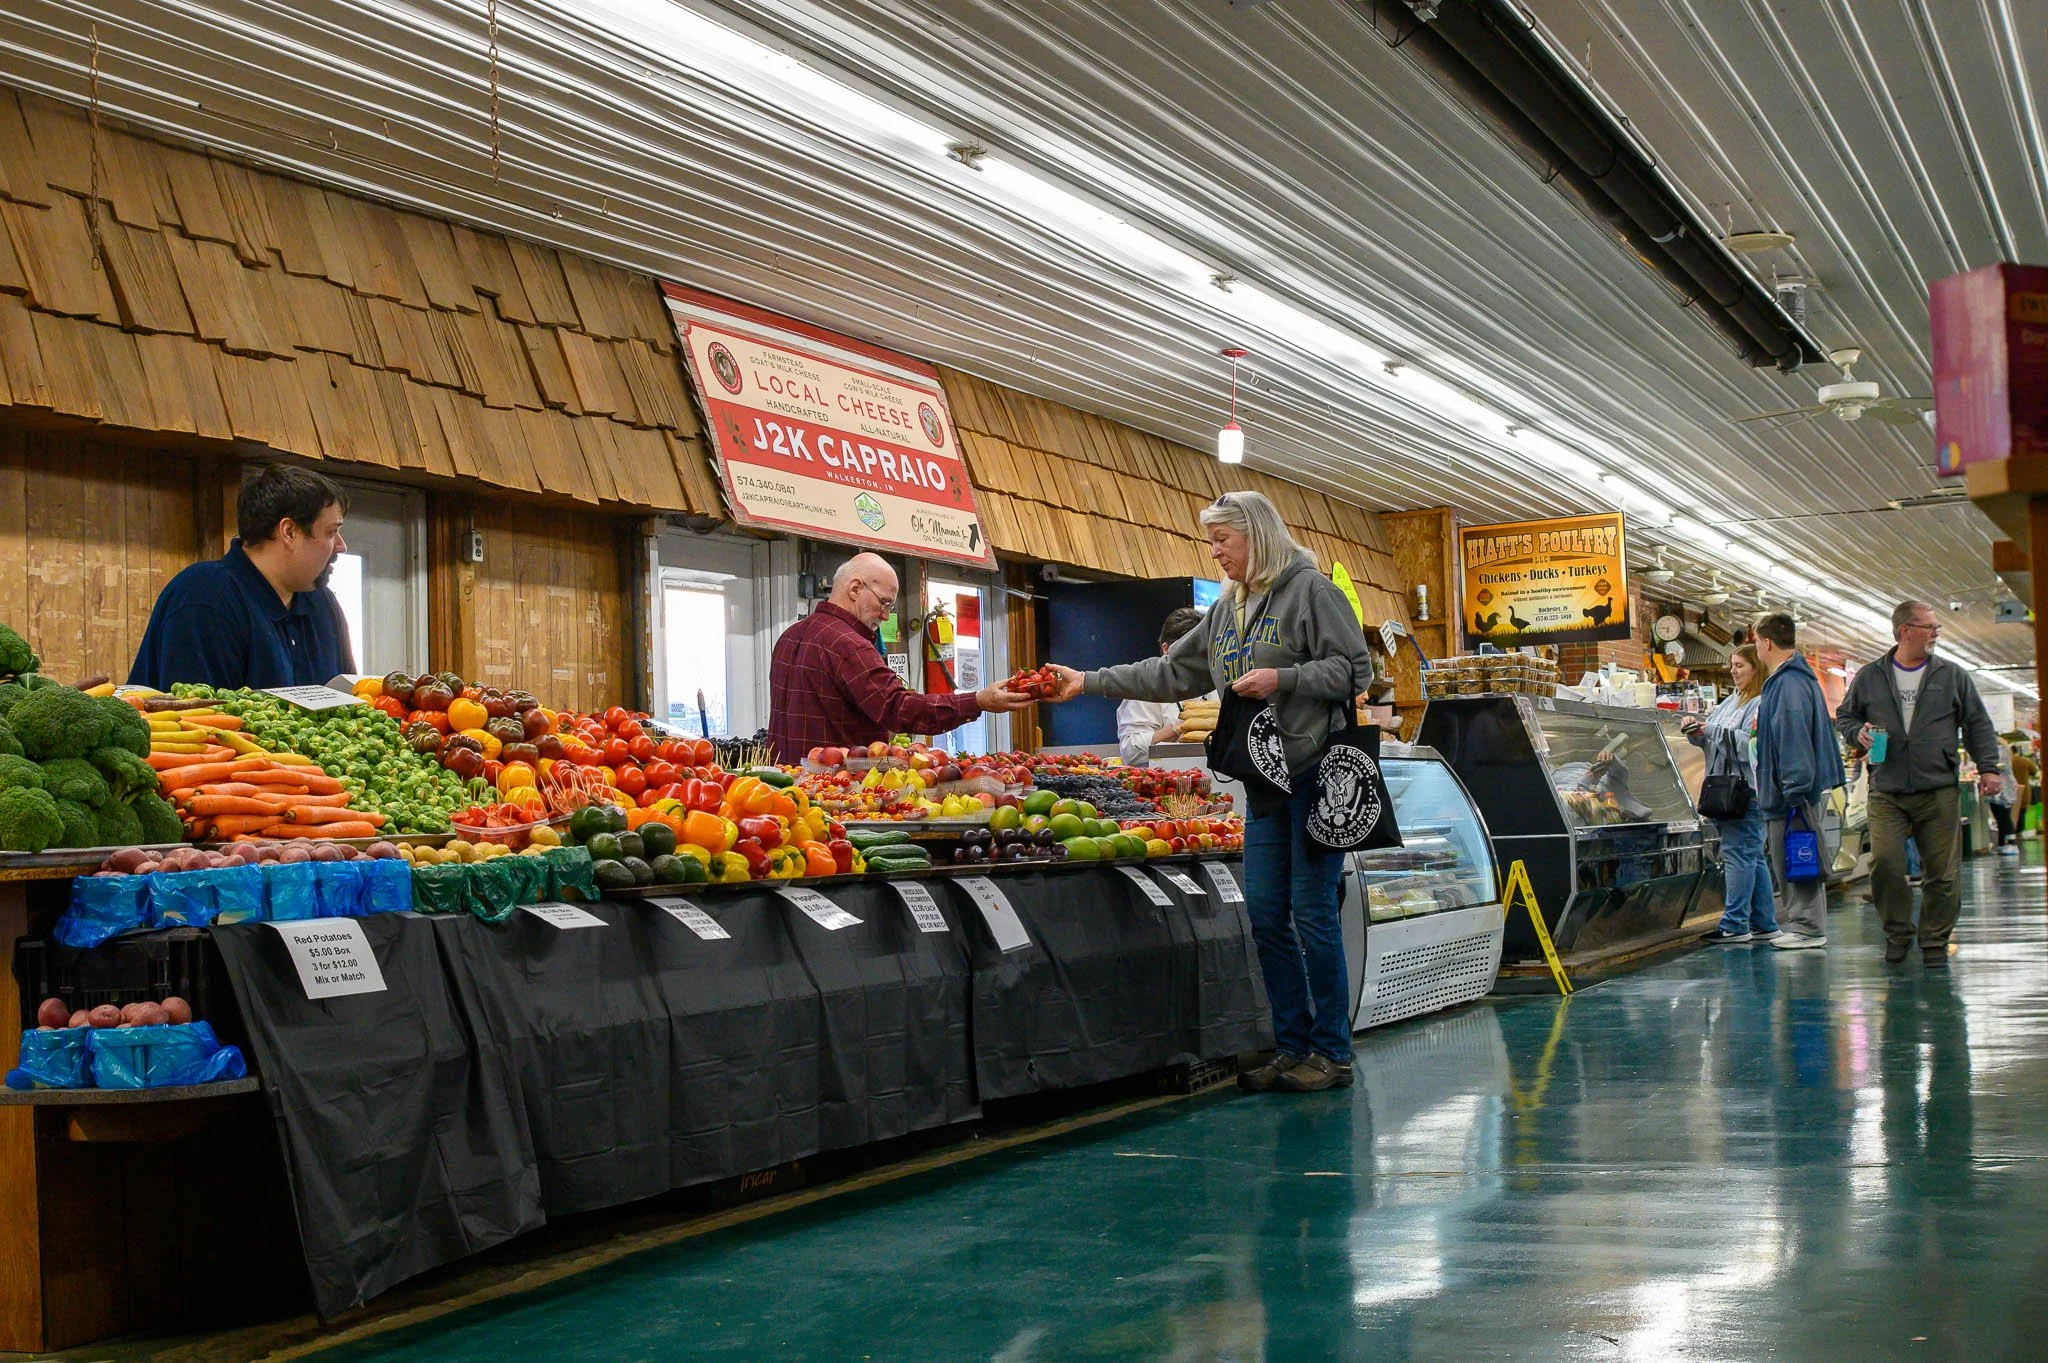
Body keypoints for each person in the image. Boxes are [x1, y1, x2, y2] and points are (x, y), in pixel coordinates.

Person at [1043, 491, 1374, 1093]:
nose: (1215, 551)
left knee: (1314, 914)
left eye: (1224, 539)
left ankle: (1333, 1052)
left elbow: (1356, 671)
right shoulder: (1228, 610)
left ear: (1259, 534)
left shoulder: (1312, 592)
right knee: (1268, 916)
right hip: (1264, 781)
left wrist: (1286, 676)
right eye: (1213, 540)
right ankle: (1291, 1044)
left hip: (1316, 776)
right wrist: (1087, 681)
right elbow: (1170, 673)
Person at [1834, 600, 2004, 965]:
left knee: (1942, 873)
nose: (1935, 634)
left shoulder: (1952, 675)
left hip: (1938, 788)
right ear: (1904, 631)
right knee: (1887, 865)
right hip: (1887, 789)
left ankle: (1934, 941)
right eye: (1929, 627)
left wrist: (1989, 767)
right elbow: (1845, 716)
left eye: (1936, 628)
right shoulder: (1870, 676)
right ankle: (1897, 934)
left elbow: (1976, 723)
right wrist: (1855, 733)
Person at [766, 552, 1031, 763]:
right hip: (838, 795)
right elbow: (899, 709)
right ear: (856, 589)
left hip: (788, 792)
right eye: (884, 603)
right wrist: (977, 701)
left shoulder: (789, 637)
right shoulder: (849, 646)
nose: (885, 616)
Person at [129, 464, 355, 690]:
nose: (341, 546)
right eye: (331, 532)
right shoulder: (204, 596)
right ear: (289, 532)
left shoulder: (322, 602)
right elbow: (197, 718)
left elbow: (353, 705)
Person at [1752, 612, 1846, 951]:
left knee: (1796, 855)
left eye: (1756, 642)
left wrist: (1793, 787)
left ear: (1766, 642)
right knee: (1794, 855)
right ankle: (1805, 923)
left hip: (1792, 790)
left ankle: (1807, 926)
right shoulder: (1796, 679)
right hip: (1795, 787)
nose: (1756, 649)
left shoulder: (1788, 683)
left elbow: (1793, 737)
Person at [1682, 644, 1778, 943]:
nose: (1733, 671)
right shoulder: (1729, 702)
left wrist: (1709, 729)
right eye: (1732, 665)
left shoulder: (1761, 703)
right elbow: (1714, 742)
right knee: (1752, 857)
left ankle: (1735, 924)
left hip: (1746, 792)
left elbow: (1752, 745)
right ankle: (1764, 923)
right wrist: (1697, 734)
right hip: (1726, 789)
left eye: (1740, 665)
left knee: (1739, 855)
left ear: (1756, 668)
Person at [1116, 606, 1207, 765]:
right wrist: (1177, 728)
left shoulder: (1216, 683)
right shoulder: (1145, 689)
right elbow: (1130, 752)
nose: (1198, 659)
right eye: (1191, 650)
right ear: (1166, 649)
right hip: (1164, 783)